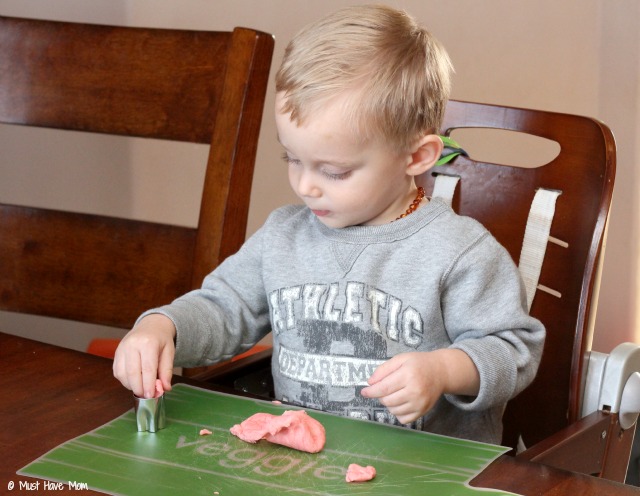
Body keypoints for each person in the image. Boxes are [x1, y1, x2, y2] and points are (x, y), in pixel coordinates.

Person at [113, 4, 545, 444]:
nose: (305, 186)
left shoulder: (460, 252)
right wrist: (162, 327)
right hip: (304, 468)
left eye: (334, 171)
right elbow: (224, 308)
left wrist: (444, 370)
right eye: (292, 159)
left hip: (427, 474)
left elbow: (516, 350)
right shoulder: (285, 234)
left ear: (416, 157)